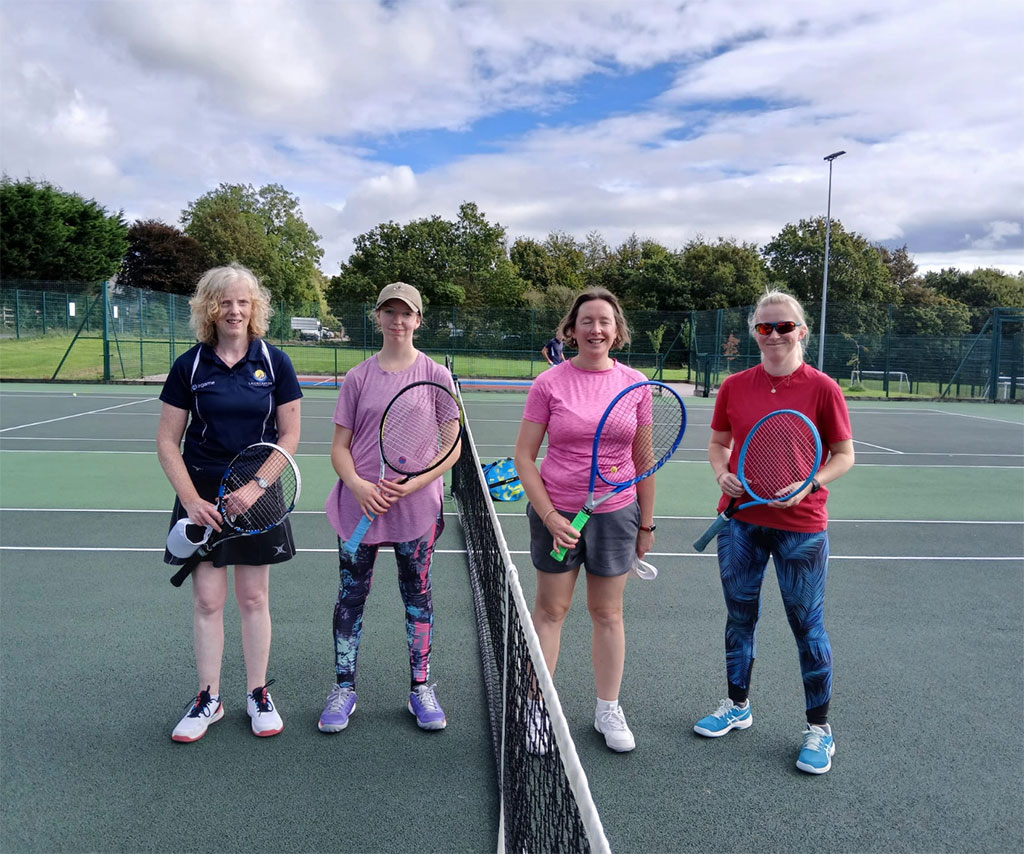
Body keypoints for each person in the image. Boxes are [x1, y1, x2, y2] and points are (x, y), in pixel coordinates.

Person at [693, 289, 854, 775]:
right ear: (754, 333)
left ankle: (819, 731)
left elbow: (844, 456)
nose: (775, 335)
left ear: (802, 331)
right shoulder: (735, 386)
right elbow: (719, 443)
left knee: (807, 626)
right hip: (740, 522)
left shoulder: (824, 388)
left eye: (784, 326)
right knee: (739, 618)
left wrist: (810, 484)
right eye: (765, 327)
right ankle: (737, 706)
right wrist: (721, 471)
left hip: (801, 528)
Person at [157, 264, 302, 743]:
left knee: (254, 598)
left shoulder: (275, 361)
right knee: (207, 600)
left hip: (257, 494)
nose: (234, 310)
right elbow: (166, 441)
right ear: (209, 309)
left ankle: (258, 693)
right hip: (202, 497)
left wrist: (256, 486)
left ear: (255, 308)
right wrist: (191, 500)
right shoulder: (190, 366)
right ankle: (208, 698)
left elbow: (291, 435)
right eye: (224, 302)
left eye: (243, 301)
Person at [514, 287, 655, 753]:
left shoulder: (636, 384)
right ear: (570, 330)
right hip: (556, 512)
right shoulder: (549, 383)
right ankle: (537, 708)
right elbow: (524, 456)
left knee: (608, 613)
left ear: (617, 331)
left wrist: (646, 524)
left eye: (605, 321)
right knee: (551, 612)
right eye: (587, 321)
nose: (596, 329)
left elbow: (644, 459)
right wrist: (551, 515)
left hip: (617, 514)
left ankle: (607, 708)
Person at [319, 282, 459, 734]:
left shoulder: (437, 375)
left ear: (418, 320)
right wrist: (359, 486)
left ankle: (420, 688)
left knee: (417, 598)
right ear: (377, 317)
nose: (398, 321)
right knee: (350, 598)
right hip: (358, 507)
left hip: (416, 510)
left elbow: (451, 444)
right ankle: (344, 688)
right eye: (389, 312)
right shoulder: (358, 377)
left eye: (407, 314)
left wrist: (416, 484)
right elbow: (339, 448)